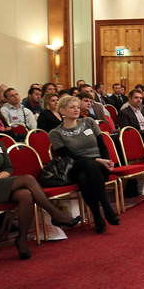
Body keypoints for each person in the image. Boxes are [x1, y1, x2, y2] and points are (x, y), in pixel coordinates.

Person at [0, 108, 81, 259]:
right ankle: (55, 214)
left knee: (25, 194)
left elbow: (8, 169)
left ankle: (21, 239)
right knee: (28, 179)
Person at [48, 95, 121, 234]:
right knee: (86, 165)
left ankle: (98, 217)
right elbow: (68, 156)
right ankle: (106, 207)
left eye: (77, 107)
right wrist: (97, 160)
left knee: (84, 177)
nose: (76, 110)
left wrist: (107, 161)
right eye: (72, 107)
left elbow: (102, 145)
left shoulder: (89, 122)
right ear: (62, 111)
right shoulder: (55, 133)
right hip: (75, 166)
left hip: (98, 168)